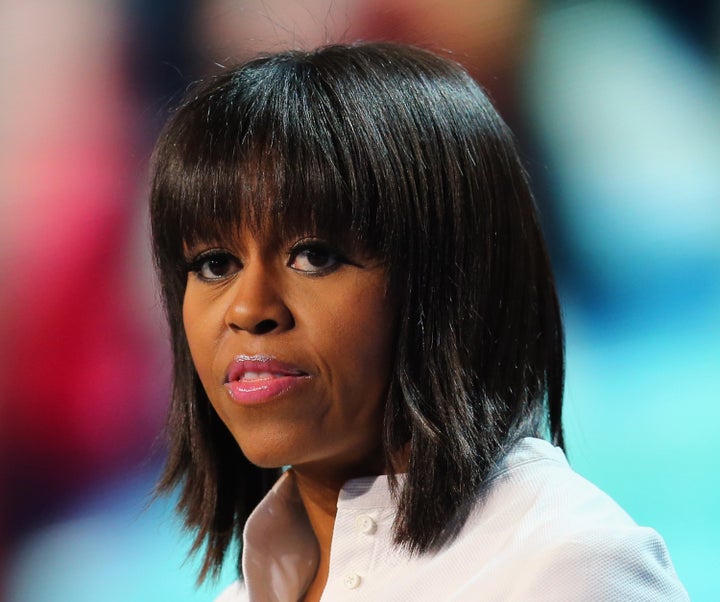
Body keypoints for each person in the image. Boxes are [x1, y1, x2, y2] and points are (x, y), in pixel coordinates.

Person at [149, 43, 687, 601]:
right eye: (215, 265)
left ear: (451, 280)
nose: (248, 308)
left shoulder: (567, 565)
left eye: (315, 256)